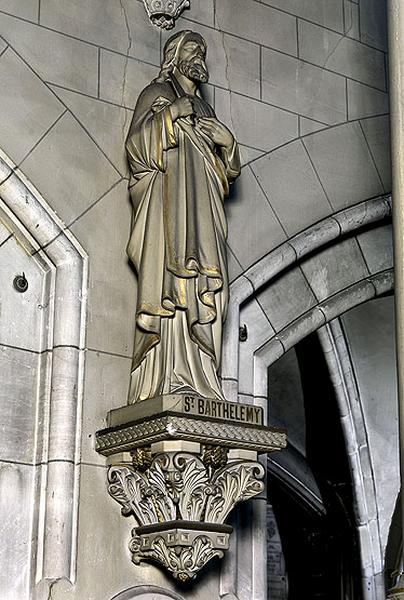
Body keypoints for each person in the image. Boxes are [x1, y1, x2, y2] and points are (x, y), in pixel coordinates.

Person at [126, 29, 240, 403]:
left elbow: (220, 178)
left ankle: (203, 380)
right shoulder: (156, 95)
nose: (200, 56)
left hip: (205, 217)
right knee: (172, 287)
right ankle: (166, 378)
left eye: (203, 51)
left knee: (208, 291)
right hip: (170, 217)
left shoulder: (208, 111)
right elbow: (137, 151)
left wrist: (228, 145)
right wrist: (172, 115)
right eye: (192, 49)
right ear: (174, 56)